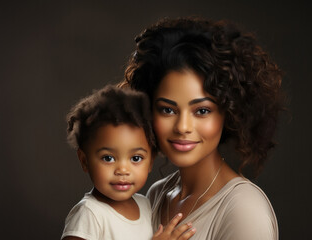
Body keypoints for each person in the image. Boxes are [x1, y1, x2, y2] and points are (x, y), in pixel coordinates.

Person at [118, 16, 284, 239]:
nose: (183, 127)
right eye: (168, 110)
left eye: (202, 111)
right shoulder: (158, 194)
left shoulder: (244, 210)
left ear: (229, 113)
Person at [61, 85, 196, 240]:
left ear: (150, 161)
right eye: (108, 158)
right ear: (84, 161)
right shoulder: (89, 214)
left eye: (136, 158)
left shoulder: (144, 205)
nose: (123, 170)